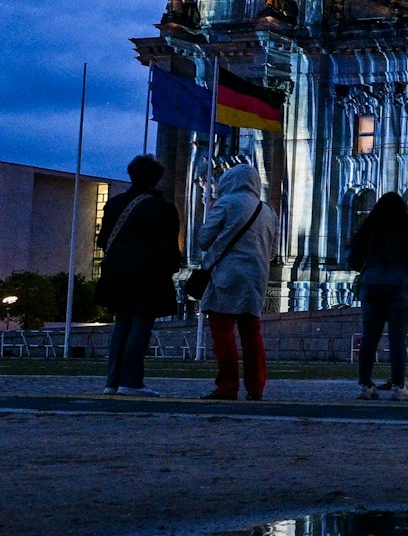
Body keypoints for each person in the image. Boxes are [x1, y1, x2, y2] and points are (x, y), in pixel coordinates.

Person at [95, 155, 183, 397]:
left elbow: (103, 240)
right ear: (157, 179)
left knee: (122, 322)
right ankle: (131, 381)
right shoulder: (162, 208)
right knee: (141, 324)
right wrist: (173, 267)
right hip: (148, 273)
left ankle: (112, 381)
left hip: (116, 271)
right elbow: (168, 246)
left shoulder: (115, 203)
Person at [195, 161, 278, 401]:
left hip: (227, 277)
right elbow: (272, 251)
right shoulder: (267, 210)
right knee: (251, 333)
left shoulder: (226, 204)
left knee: (222, 331)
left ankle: (227, 385)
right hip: (256, 278)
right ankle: (256, 387)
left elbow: (204, 239)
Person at [347, 191, 408, 400]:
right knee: (397, 337)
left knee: (370, 337)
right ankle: (398, 387)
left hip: (372, 283)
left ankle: (365, 385)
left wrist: (367, 271)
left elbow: (351, 258)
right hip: (401, 284)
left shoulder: (368, 230)